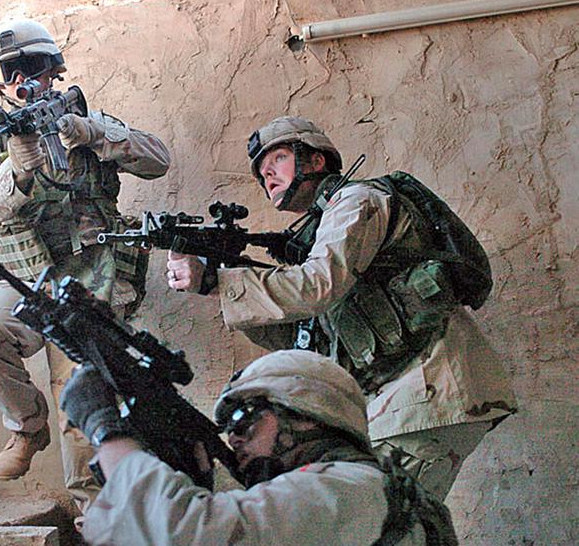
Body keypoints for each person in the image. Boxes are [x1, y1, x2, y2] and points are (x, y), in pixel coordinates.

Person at [165, 116, 515, 498]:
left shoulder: (356, 200)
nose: (268, 176)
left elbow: (318, 286)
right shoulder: (320, 233)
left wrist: (222, 280)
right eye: (262, 174)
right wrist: (220, 284)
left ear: (315, 161)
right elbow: (303, 334)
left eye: (277, 160)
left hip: (429, 388)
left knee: (378, 525)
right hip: (405, 398)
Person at [0, 18, 170, 512]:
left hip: (92, 272)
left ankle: (93, 514)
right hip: (27, 274)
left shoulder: (89, 120)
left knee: (81, 388)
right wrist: (17, 167)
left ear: (53, 69)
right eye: (9, 72)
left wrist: (93, 134)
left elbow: (157, 158)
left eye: (31, 66)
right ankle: (27, 428)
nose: (21, 80)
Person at [60, 349, 457, 545]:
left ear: (303, 417)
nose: (233, 438)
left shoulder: (350, 486)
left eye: (244, 420)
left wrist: (104, 430)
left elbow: (184, 534)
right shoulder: (368, 487)